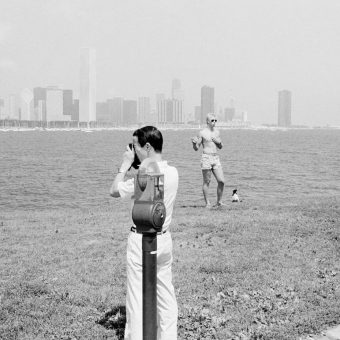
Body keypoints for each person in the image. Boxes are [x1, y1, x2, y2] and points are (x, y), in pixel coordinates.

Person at [110, 126, 179, 340]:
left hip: (142, 240)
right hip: (164, 238)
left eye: (135, 146)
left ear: (147, 146)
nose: (134, 151)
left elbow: (114, 190)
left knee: (137, 298)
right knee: (165, 295)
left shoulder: (145, 177)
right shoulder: (173, 172)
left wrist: (124, 165)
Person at [191, 113, 225, 208]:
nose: (214, 122)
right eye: (212, 120)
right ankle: (208, 203)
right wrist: (194, 144)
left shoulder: (217, 132)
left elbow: (220, 146)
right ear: (207, 121)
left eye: (215, 120)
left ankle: (219, 202)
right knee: (207, 182)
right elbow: (196, 148)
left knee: (221, 181)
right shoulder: (202, 133)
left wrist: (219, 142)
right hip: (206, 158)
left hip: (215, 158)